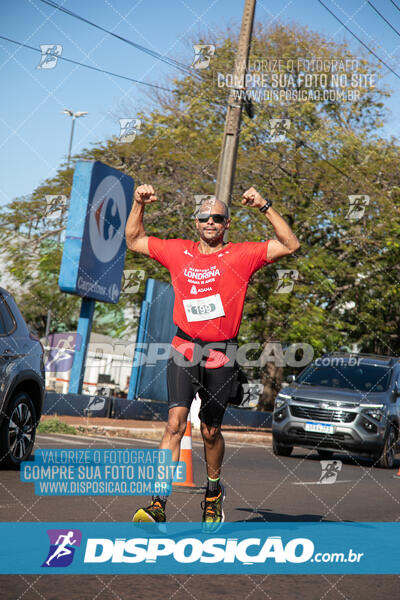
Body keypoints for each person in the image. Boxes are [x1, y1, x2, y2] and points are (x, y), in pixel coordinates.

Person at [125, 185, 300, 529]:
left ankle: (213, 492)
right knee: (175, 424)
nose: (210, 222)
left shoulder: (242, 255)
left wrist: (265, 206)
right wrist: (138, 204)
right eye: (204, 216)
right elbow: (134, 240)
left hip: (222, 352)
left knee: (209, 431)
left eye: (217, 217)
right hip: (184, 347)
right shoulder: (178, 252)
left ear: (227, 224)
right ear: (196, 222)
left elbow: (290, 244)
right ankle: (157, 503)